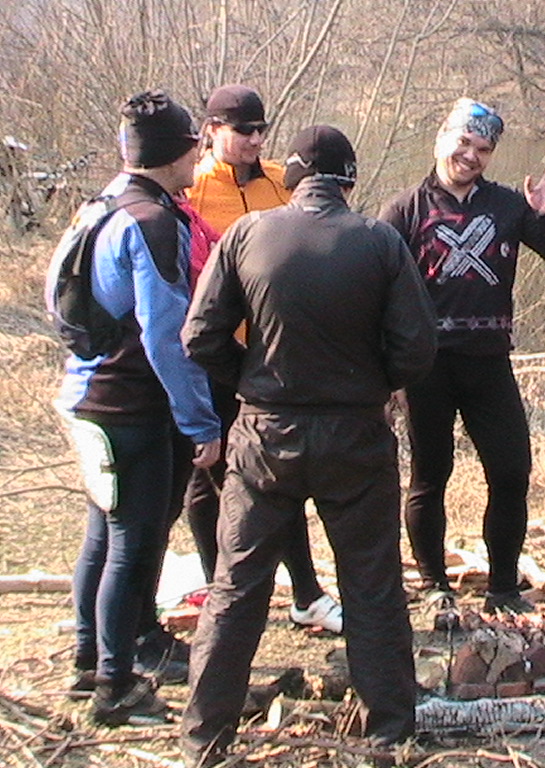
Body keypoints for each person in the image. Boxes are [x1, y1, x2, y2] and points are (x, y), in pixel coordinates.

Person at [179, 124, 437, 768]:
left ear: (291, 178)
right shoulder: (379, 242)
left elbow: (199, 336)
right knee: (372, 585)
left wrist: (252, 380)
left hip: (266, 435)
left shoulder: (246, 235)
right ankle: (389, 735)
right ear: (349, 181)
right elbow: (418, 348)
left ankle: (204, 740)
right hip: (355, 436)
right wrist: (374, 384)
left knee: (236, 588)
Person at [53, 90, 221, 726]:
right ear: (172, 154)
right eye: (192, 148)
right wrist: (200, 422)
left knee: (103, 532)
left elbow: (61, 298)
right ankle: (115, 687)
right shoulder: (152, 221)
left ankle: (89, 659)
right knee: (133, 542)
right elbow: (165, 335)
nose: (198, 157)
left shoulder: (99, 205)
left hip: (88, 393)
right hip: (129, 407)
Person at [378, 97, 545, 625]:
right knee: (430, 475)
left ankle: (503, 587)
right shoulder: (404, 210)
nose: (471, 156)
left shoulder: (507, 205)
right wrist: (387, 371)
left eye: (483, 149)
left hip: (488, 362)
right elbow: (379, 293)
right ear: (441, 138)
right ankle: (434, 585)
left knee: (511, 472)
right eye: (464, 143)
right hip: (427, 366)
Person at [184, 84, 342, 633]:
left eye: (261, 130)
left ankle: (306, 594)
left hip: (275, 354)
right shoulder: (193, 190)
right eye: (243, 130)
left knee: (280, 475)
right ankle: (219, 587)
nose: (255, 140)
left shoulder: (282, 182)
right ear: (212, 130)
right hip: (214, 355)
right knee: (207, 478)